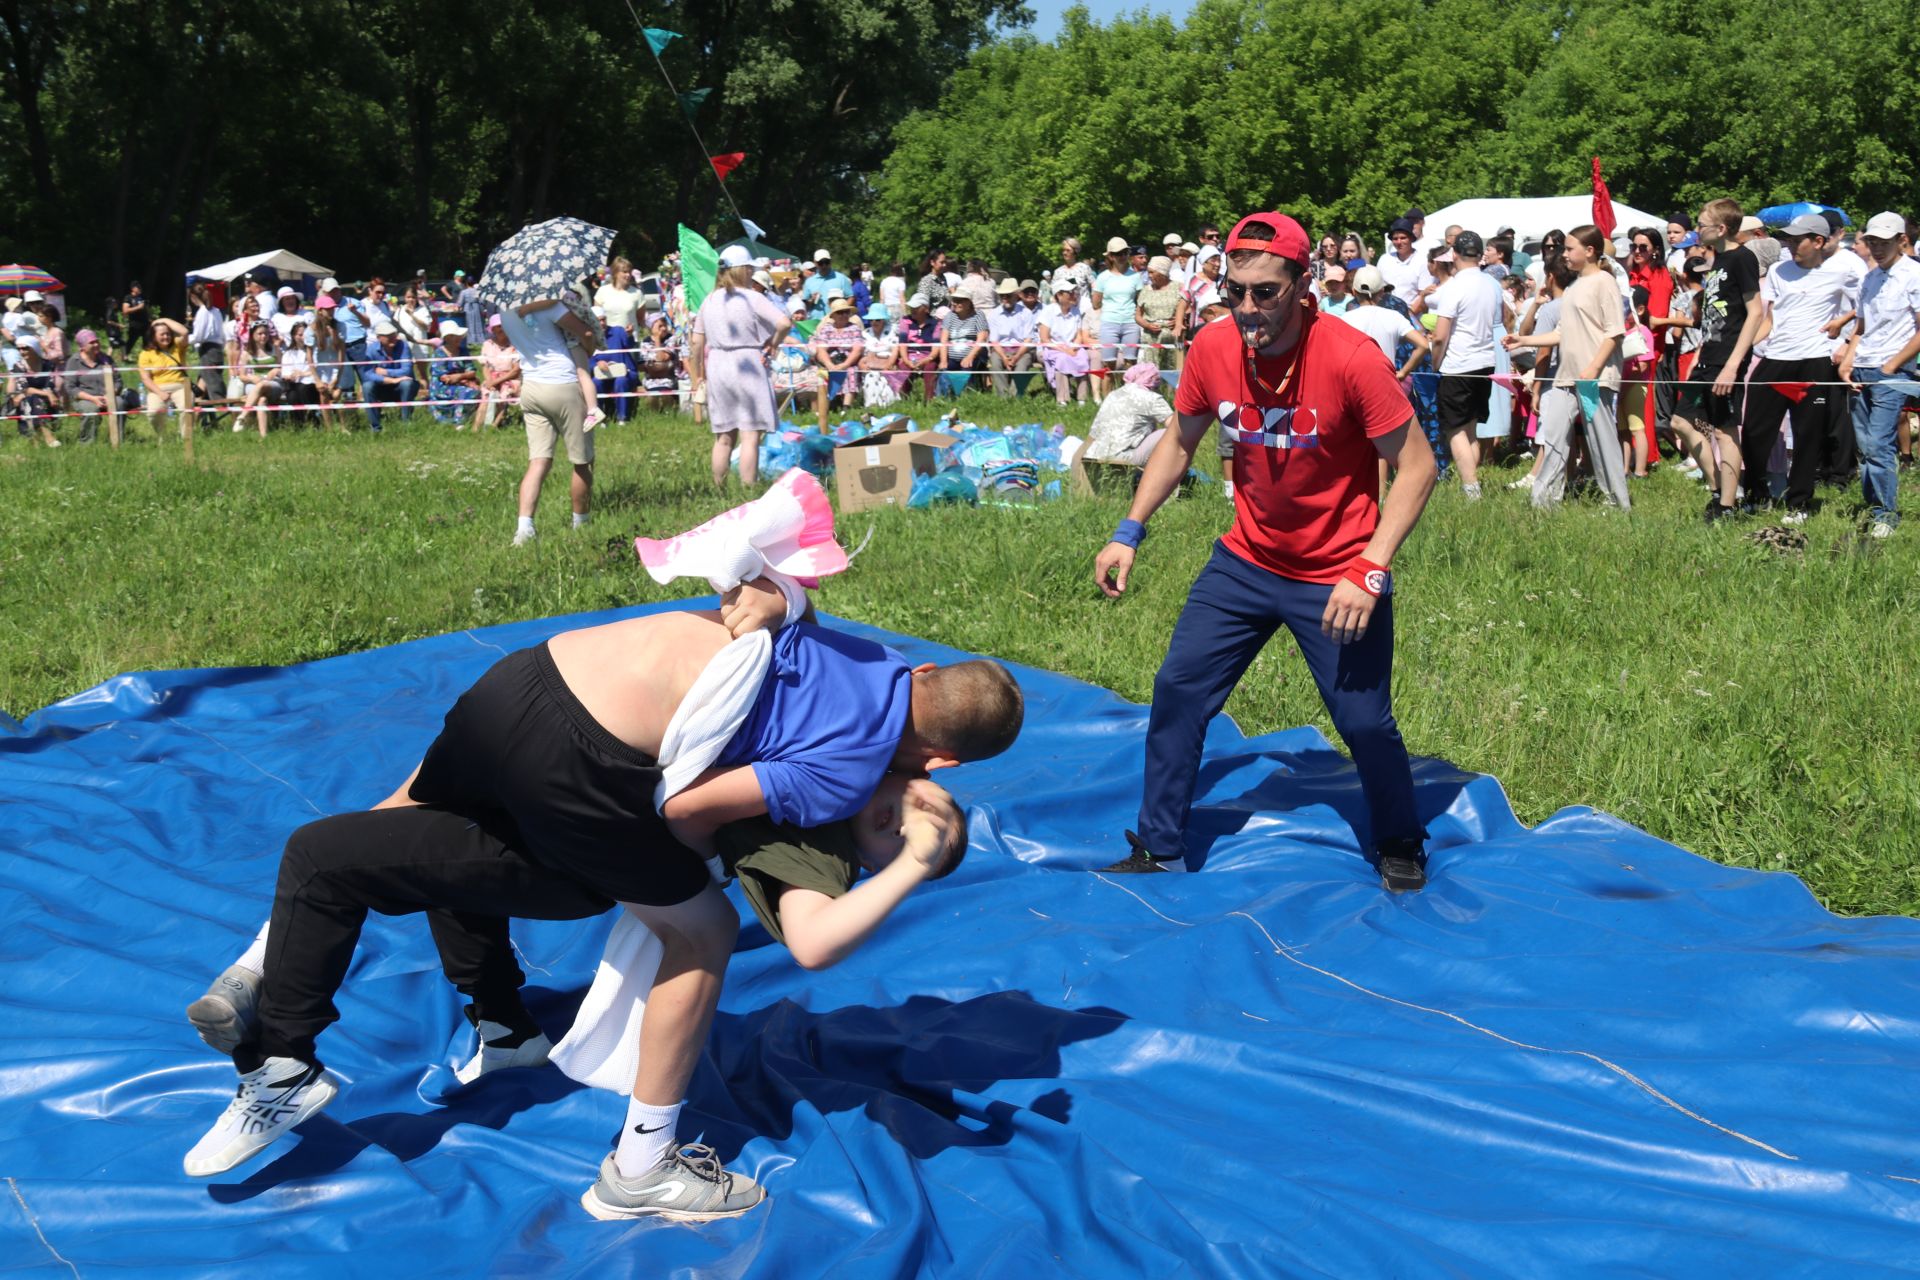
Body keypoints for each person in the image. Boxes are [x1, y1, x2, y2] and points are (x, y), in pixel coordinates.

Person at [178, 593, 1022, 1217]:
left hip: (527, 678)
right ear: (941, 765)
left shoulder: (858, 652)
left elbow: (774, 595)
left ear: (923, 672)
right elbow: (694, 819)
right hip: (581, 763)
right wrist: (903, 859)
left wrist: (781, 595)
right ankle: (642, 1168)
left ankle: (443, 1011)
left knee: (416, 821)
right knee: (704, 930)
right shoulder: (837, 783)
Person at [1092, 212, 1439, 892]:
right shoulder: (1213, 349)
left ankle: (1401, 837)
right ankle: (1160, 846)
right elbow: (1178, 442)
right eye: (1235, 291)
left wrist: (1369, 569)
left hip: (1338, 572)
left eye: (1266, 292)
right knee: (1178, 690)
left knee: (1364, 723)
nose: (1248, 308)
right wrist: (1129, 529)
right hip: (1245, 562)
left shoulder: (1350, 356)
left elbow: (1419, 467)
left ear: (1303, 285)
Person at [1503, 225, 1631, 510]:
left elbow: (1615, 332)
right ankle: (1543, 501)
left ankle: (1618, 504)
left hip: (1594, 379)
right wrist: (1522, 339)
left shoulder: (1604, 282)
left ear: (1589, 251)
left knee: (1602, 443)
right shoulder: (1573, 288)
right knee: (1554, 439)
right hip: (1564, 379)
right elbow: (1560, 333)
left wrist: (1593, 369)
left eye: (1570, 248)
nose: (1565, 254)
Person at [1740, 214, 1849, 518]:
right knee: (1754, 431)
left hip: (1814, 363)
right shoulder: (1778, 270)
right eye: (1787, 238)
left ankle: (1799, 503)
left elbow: (1864, 304)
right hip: (1775, 360)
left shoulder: (1842, 271)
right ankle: (1755, 494)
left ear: (1818, 241)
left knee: (1808, 435)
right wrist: (1743, 349)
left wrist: (1845, 333)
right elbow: (1770, 319)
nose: (1790, 244)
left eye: (1796, 239)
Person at [1674, 199, 1764, 521]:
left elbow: (1756, 313)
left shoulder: (1742, 258)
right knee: (1681, 421)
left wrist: (1732, 365)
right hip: (1707, 358)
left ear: (1721, 228)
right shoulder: (1718, 261)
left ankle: (1727, 506)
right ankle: (1719, 488)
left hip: (1727, 360)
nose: (1697, 230)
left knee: (1725, 431)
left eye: (1701, 224)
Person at [1838, 211, 1920, 539]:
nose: (1877, 248)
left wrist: (1890, 366)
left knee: (1879, 444)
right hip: (1861, 368)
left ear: (1901, 241)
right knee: (1866, 444)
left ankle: (1886, 513)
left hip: (1892, 371)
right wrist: (1847, 358)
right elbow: (1862, 325)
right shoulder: (1870, 277)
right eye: (1872, 241)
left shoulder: (1914, 275)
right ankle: (1875, 506)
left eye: (1884, 242)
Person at [501, 291, 602, 540]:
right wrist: (588, 350)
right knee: (581, 461)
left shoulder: (505, 313)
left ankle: (524, 528)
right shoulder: (552, 307)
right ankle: (581, 523)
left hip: (531, 386)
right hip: (563, 384)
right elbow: (586, 333)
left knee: (538, 461)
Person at [690, 246, 789, 491]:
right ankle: (748, 492)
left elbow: (696, 343)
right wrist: (773, 344)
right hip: (747, 364)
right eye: (749, 269)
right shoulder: (752, 297)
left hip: (718, 365)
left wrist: (698, 376)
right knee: (750, 435)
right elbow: (785, 322)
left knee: (724, 437)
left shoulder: (708, 300)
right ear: (743, 270)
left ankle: (719, 489)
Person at [1428, 230, 1506, 496]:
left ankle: (1471, 488)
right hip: (1485, 363)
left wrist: (1434, 365)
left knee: (1454, 429)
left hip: (1458, 364)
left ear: (1455, 255)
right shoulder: (1491, 284)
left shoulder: (1455, 287)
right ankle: (1472, 484)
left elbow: (1440, 336)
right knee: (1470, 427)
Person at [1338, 267, 1431, 390]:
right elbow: (1424, 345)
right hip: (1386, 385)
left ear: (1354, 291)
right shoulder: (1394, 317)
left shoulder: (1344, 319)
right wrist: (1403, 373)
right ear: (1382, 291)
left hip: (1355, 385)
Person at [1084, 361, 1174, 464]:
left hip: (1093, 456)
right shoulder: (1152, 398)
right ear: (1153, 380)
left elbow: (1094, 432)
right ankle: (1168, 474)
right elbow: (1175, 427)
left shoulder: (1113, 394)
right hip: (1121, 458)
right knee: (1169, 432)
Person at [592, 258, 643, 422]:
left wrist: (630, 332)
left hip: (627, 339)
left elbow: (641, 319)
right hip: (604, 339)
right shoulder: (603, 292)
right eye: (624, 272)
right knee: (603, 375)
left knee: (625, 377)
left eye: (629, 271)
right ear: (615, 273)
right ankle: (606, 413)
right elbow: (595, 314)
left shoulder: (636, 293)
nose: (628, 275)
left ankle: (627, 413)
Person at [1091, 236, 1142, 394]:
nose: (1122, 256)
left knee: (1130, 363)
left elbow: (1140, 301)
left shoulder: (1135, 276)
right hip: (1109, 323)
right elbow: (1095, 303)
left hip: (1130, 323)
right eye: (1118, 253)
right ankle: (1107, 401)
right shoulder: (1102, 277)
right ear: (1111, 256)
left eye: (1125, 252)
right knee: (1108, 365)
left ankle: (1129, 397)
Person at [63, 328, 131, 446]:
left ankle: (117, 441)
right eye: (92, 342)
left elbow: (118, 381)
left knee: (119, 404)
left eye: (97, 341)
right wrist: (92, 399)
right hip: (84, 398)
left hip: (108, 395)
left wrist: (111, 393)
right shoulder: (74, 362)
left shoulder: (106, 359)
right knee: (91, 410)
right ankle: (87, 444)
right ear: (82, 347)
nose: (96, 344)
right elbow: (70, 388)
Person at [137, 317, 197, 446]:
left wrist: (162, 320)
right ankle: (162, 436)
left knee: (187, 408)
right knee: (153, 413)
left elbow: (184, 332)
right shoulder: (145, 354)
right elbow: (145, 378)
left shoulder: (177, 346)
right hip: (157, 388)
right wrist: (160, 393)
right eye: (162, 334)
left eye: (168, 333)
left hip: (180, 386)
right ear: (153, 336)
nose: (166, 337)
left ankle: (185, 440)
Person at [810, 295, 865, 416]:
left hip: (848, 360)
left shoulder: (854, 328)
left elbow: (857, 349)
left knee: (851, 371)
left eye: (846, 312)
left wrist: (845, 364)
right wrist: (829, 364)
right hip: (829, 360)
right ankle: (826, 405)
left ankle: (846, 407)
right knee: (822, 372)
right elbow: (821, 349)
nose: (844, 315)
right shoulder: (826, 329)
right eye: (840, 312)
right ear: (833, 315)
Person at [1037, 283, 1091, 405]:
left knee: (1083, 357)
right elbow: (1044, 338)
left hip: (1072, 346)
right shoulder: (1048, 311)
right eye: (1070, 292)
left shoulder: (1076, 310)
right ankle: (1062, 399)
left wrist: (1075, 347)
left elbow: (1078, 335)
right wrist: (1065, 350)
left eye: (1074, 292)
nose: (1074, 295)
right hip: (1053, 347)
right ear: (1059, 295)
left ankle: (1082, 398)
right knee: (1062, 360)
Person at [5, 336, 62, 447]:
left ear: (34, 348)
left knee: (35, 400)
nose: (22, 351)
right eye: (19, 349)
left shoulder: (48, 365)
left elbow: (50, 383)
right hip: (24, 400)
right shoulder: (18, 366)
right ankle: (49, 437)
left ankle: (38, 441)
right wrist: (47, 393)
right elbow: (25, 389)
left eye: (25, 348)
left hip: (47, 400)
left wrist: (48, 393)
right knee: (33, 399)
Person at [986, 278, 1037, 396]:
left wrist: (1017, 356)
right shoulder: (994, 314)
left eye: (1008, 295)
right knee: (995, 362)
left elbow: (1028, 339)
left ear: (1016, 296)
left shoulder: (1026, 313)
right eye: (1002, 295)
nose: (1004, 298)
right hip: (1001, 349)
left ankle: (1015, 396)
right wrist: (1004, 357)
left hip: (1022, 349)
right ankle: (1003, 396)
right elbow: (994, 341)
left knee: (1022, 366)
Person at [1376, 219, 1434, 316]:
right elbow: (1377, 289)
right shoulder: (1384, 259)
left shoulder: (1422, 261)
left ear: (1411, 238)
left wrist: (1406, 316)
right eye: (1395, 238)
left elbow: (1423, 295)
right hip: (1386, 315)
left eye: (1403, 238)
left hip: (1413, 317)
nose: (1399, 242)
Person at [235, 323, 284, 437]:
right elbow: (242, 376)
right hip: (254, 384)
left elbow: (283, 368)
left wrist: (277, 370)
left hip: (274, 383)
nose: (263, 336)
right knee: (262, 400)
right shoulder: (246, 353)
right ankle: (264, 435)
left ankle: (242, 415)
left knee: (262, 385)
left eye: (266, 333)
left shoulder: (275, 349)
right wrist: (251, 377)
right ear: (253, 335)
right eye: (260, 333)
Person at [430, 321, 481, 426]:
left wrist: (461, 377)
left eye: (459, 335)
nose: (460, 338)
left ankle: (471, 419)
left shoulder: (463, 351)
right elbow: (445, 378)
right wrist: (465, 380)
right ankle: (459, 422)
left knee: (476, 391)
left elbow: (472, 371)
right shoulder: (439, 353)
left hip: (462, 383)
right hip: (442, 387)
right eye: (455, 336)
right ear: (447, 338)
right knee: (465, 392)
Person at [478, 313, 523, 429]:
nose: (501, 329)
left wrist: (496, 381)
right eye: (498, 326)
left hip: (510, 378)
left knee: (505, 392)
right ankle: (476, 427)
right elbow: (485, 366)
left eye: (503, 326)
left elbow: (515, 371)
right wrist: (489, 381)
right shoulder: (487, 344)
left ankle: (494, 426)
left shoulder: (515, 345)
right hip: (492, 376)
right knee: (486, 393)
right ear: (492, 329)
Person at [1135, 256, 1181, 369]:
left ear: (1162, 272)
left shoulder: (1178, 287)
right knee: (1149, 370)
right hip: (1150, 336)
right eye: (1148, 272)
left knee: (1171, 368)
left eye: (1152, 272)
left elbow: (1187, 309)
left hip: (1171, 336)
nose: (1149, 276)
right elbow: (1137, 315)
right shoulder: (1146, 290)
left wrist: (1179, 320)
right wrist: (1147, 325)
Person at [896, 293, 944, 401]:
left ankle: (929, 400)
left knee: (930, 369)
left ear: (926, 309)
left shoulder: (936, 324)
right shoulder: (905, 321)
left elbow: (936, 348)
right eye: (912, 307)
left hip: (928, 357)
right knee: (904, 368)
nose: (913, 310)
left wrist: (926, 360)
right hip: (909, 357)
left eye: (916, 307)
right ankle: (904, 399)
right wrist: (906, 360)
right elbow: (902, 344)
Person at [939, 293, 986, 396]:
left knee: (967, 370)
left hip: (972, 356)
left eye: (959, 301)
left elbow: (982, 339)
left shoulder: (978, 315)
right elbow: (943, 340)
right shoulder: (949, 316)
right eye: (954, 300)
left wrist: (970, 357)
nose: (955, 303)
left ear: (968, 302)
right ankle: (943, 398)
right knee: (944, 372)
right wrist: (943, 360)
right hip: (951, 357)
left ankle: (967, 397)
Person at [188, 283, 226, 404]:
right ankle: (198, 414)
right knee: (203, 382)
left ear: (193, 297)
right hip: (218, 348)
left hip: (208, 350)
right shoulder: (217, 311)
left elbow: (199, 336)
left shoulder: (202, 312)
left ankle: (222, 404)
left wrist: (185, 339)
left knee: (213, 382)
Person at [276, 320, 320, 424]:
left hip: (311, 384)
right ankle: (299, 423)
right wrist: (290, 376)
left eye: (305, 334)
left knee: (303, 388)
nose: (303, 337)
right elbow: (285, 372)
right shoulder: (288, 354)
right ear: (294, 336)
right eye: (299, 335)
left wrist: (303, 374)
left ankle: (313, 418)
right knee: (292, 396)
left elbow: (318, 369)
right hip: (294, 385)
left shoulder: (315, 350)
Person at [859, 303, 903, 407]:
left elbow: (894, 352)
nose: (874, 322)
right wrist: (863, 364)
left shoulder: (892, 332)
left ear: (883, 320)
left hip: (888, 363)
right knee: (871, 376)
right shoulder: (866, 334)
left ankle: (887, 405)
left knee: (885, 378)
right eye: (872, 320)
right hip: (870, 365)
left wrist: (888, 364)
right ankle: (872, 405)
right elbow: (863, 356)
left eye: (878, 319)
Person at [637, 311, 682, 412]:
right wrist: (651, 366)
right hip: (651, 378)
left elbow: (662, 358)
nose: (663, 328)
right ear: (651, 328)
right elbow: (641, 366)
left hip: (668, 377)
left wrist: (657, 340)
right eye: (660, 326)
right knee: (652, 397)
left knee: (665, 394)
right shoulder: (645, 342)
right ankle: (655, 414)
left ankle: (669, 411)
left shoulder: (671, 339)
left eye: (665, 325)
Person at [310, 305, 346, 431]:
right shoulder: (312, 329)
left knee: (337, 395)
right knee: (324, 395)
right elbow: (309, 357)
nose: (331, 311)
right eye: (328, 309)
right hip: (321, 368)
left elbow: (341, 352)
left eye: (332, 308)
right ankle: (329, 429)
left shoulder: (339, 326)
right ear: (320, 311)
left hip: (336, 368)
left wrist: (337, 377)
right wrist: (317, 379)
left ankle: (343, 427)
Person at [802, 250, 854, 317]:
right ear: (815, 263)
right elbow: (805, 306)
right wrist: (812, 300)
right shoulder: (809, 281)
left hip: (837, 322)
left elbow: (851, 297)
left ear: (830, 261)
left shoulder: (841, 278)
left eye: (827, 262)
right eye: (821, 263)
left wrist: (842, 312)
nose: (824, 266)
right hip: (816, 321)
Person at [1055, 238, 1094, 310]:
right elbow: (1054, 292)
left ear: (1075, 252)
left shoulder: (1084, 268)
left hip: (1083, 310)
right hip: (1065, 311)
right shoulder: (1058, 272)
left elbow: (1094, 285)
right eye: (1063, 250)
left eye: (1068, 250)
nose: (1064, 253)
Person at [121, 282, 149, 349]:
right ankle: (124, 355)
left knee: (147, 340)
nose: (140, 289)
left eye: (141, 288)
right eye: (138, 287)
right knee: (131, 341)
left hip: (145, 323)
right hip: (135, 324)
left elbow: (146, 309)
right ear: (133, 288)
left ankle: (147, 356)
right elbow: (125, 311)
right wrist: (138, 307)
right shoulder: (128, 297)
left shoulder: (142, 298)